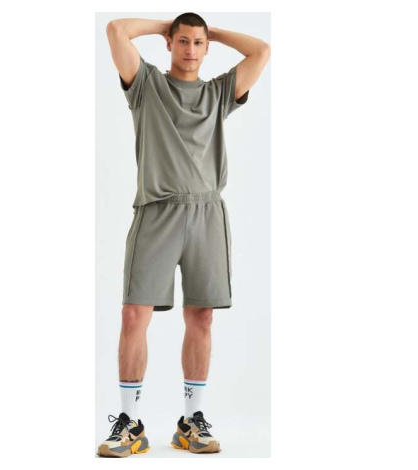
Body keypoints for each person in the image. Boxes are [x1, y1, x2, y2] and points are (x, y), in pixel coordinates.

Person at [97, 13, 270, 457]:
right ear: (170, 44)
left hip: (207, 213)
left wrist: (211, 31)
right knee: (133, 314)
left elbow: (261, 51)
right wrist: (164, 25)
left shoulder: (218, 93)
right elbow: (116, 30)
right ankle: (130, 423)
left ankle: (192, 421)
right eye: (182, 41)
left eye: (198, 42)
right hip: (156, 212)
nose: (190, 50)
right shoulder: (146, 85)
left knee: (202, 317)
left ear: (206, 47)